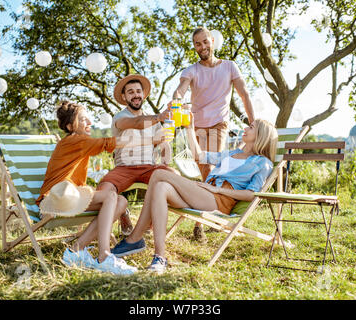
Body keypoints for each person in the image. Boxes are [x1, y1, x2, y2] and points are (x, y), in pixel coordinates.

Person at [111, 116, 278, 273]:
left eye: (251, 127)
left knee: (158, 174)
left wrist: (219, 190)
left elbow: (251, 194)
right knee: (161, 187)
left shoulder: (263, 163)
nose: (245, 128)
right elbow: (199, 156)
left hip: (218, 201)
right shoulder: (232, 153)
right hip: (204, 193)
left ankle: (134, 238)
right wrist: (190, 128)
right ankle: (160, 257)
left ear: (261, 135)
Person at [36, 101, 172, 275]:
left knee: (121, 201)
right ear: (70, 126)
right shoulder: (76, 140)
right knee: (109, 196)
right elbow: (113, 142)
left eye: (88, 119)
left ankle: (75, 250)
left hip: (70, 197)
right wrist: (151, 139)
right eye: (83, 119)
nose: (90, 123)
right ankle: (104, 256)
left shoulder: (78, 141)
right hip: (55, 199)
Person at [170, 26, 256, 241]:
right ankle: (203, 218)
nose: (202, 47)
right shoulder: (191, 70)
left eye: (205, 42)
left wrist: (253, 123)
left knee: (214, 171)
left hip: (219, 124)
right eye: (197, 44)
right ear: (194, 47)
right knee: (205, 173)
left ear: (213, 42)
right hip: (197, 125)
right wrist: (177, 98)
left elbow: (244, 94)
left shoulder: (229, 66)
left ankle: (202, 221)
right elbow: (182, 87)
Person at [97, 74, 177, 209]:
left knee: (175, 176)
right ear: (124, 97)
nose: (136, 95)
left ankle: (150, 223)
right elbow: (136, 123)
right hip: (124, 168)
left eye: (138, 91)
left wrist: (164, 162)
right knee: (103, 190)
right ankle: (122, 212)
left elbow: (163, 143)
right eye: (131, 92)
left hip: (148, 167)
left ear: (143, 94)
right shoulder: (120, 117)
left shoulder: (153, 119)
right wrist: (159, 116)